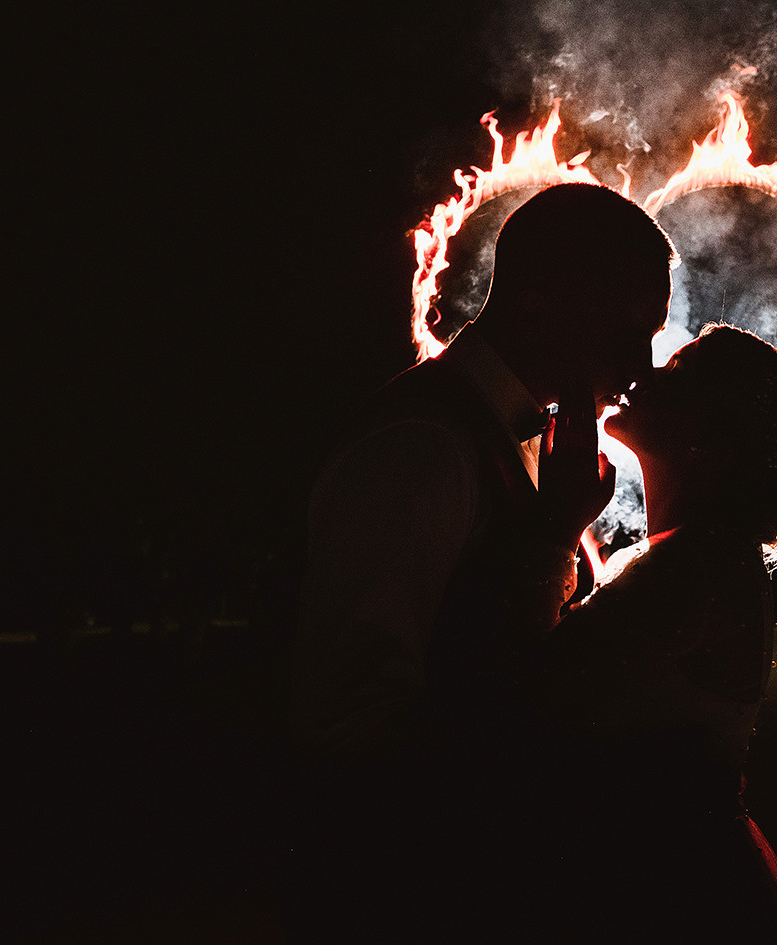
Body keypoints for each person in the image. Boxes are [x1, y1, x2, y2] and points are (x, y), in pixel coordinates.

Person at [283, 182, 678, 942]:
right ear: (534, 304)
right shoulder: (422, 447)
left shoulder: (522, 435)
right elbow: (347, 721)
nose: (644, 364)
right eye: (629, 330)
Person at [515, 324, 777, 944]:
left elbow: (531, 695)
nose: (645, 374)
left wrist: (556, 531)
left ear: (709, 443)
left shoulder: (691, 569)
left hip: (662, 888)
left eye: (676, 373)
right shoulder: (698, 557)